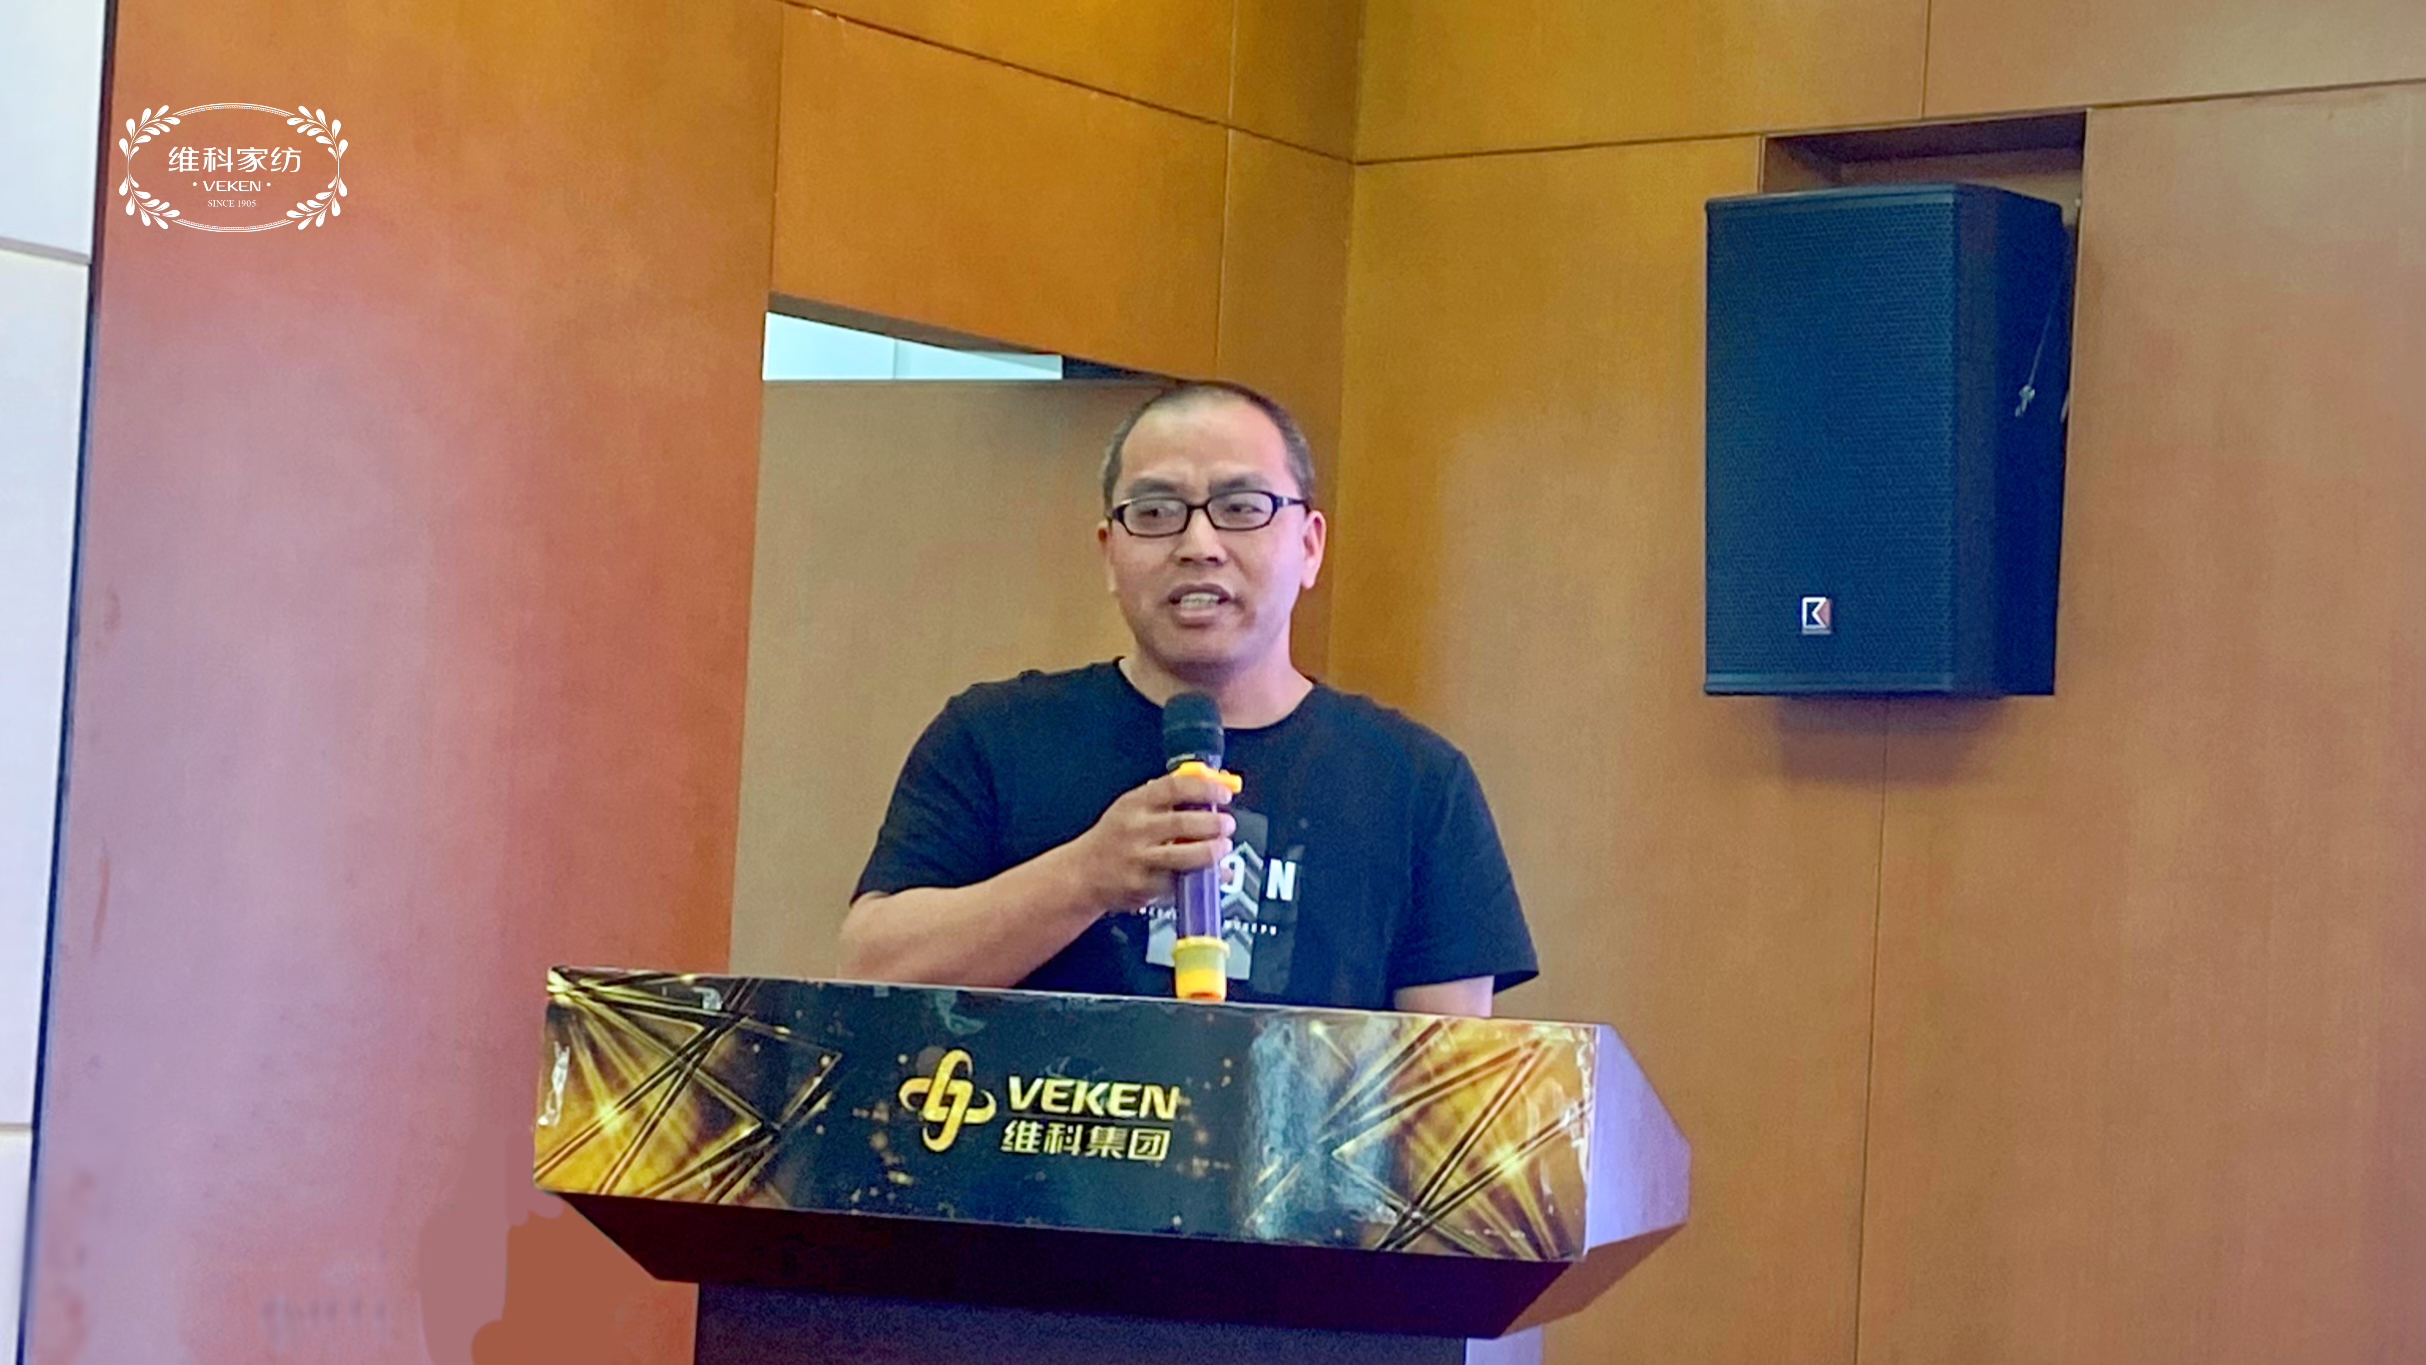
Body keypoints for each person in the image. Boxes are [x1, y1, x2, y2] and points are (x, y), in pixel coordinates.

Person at [838, 381, 1535, 1016]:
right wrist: (1086, 876)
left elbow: (1450, 1078)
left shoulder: (1417, 782)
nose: (1199, 545)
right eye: (1156, 512)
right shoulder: (993, 736)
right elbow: (871, 968)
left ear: (1310, 546)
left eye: (1241, 508)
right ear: (1110, 553)